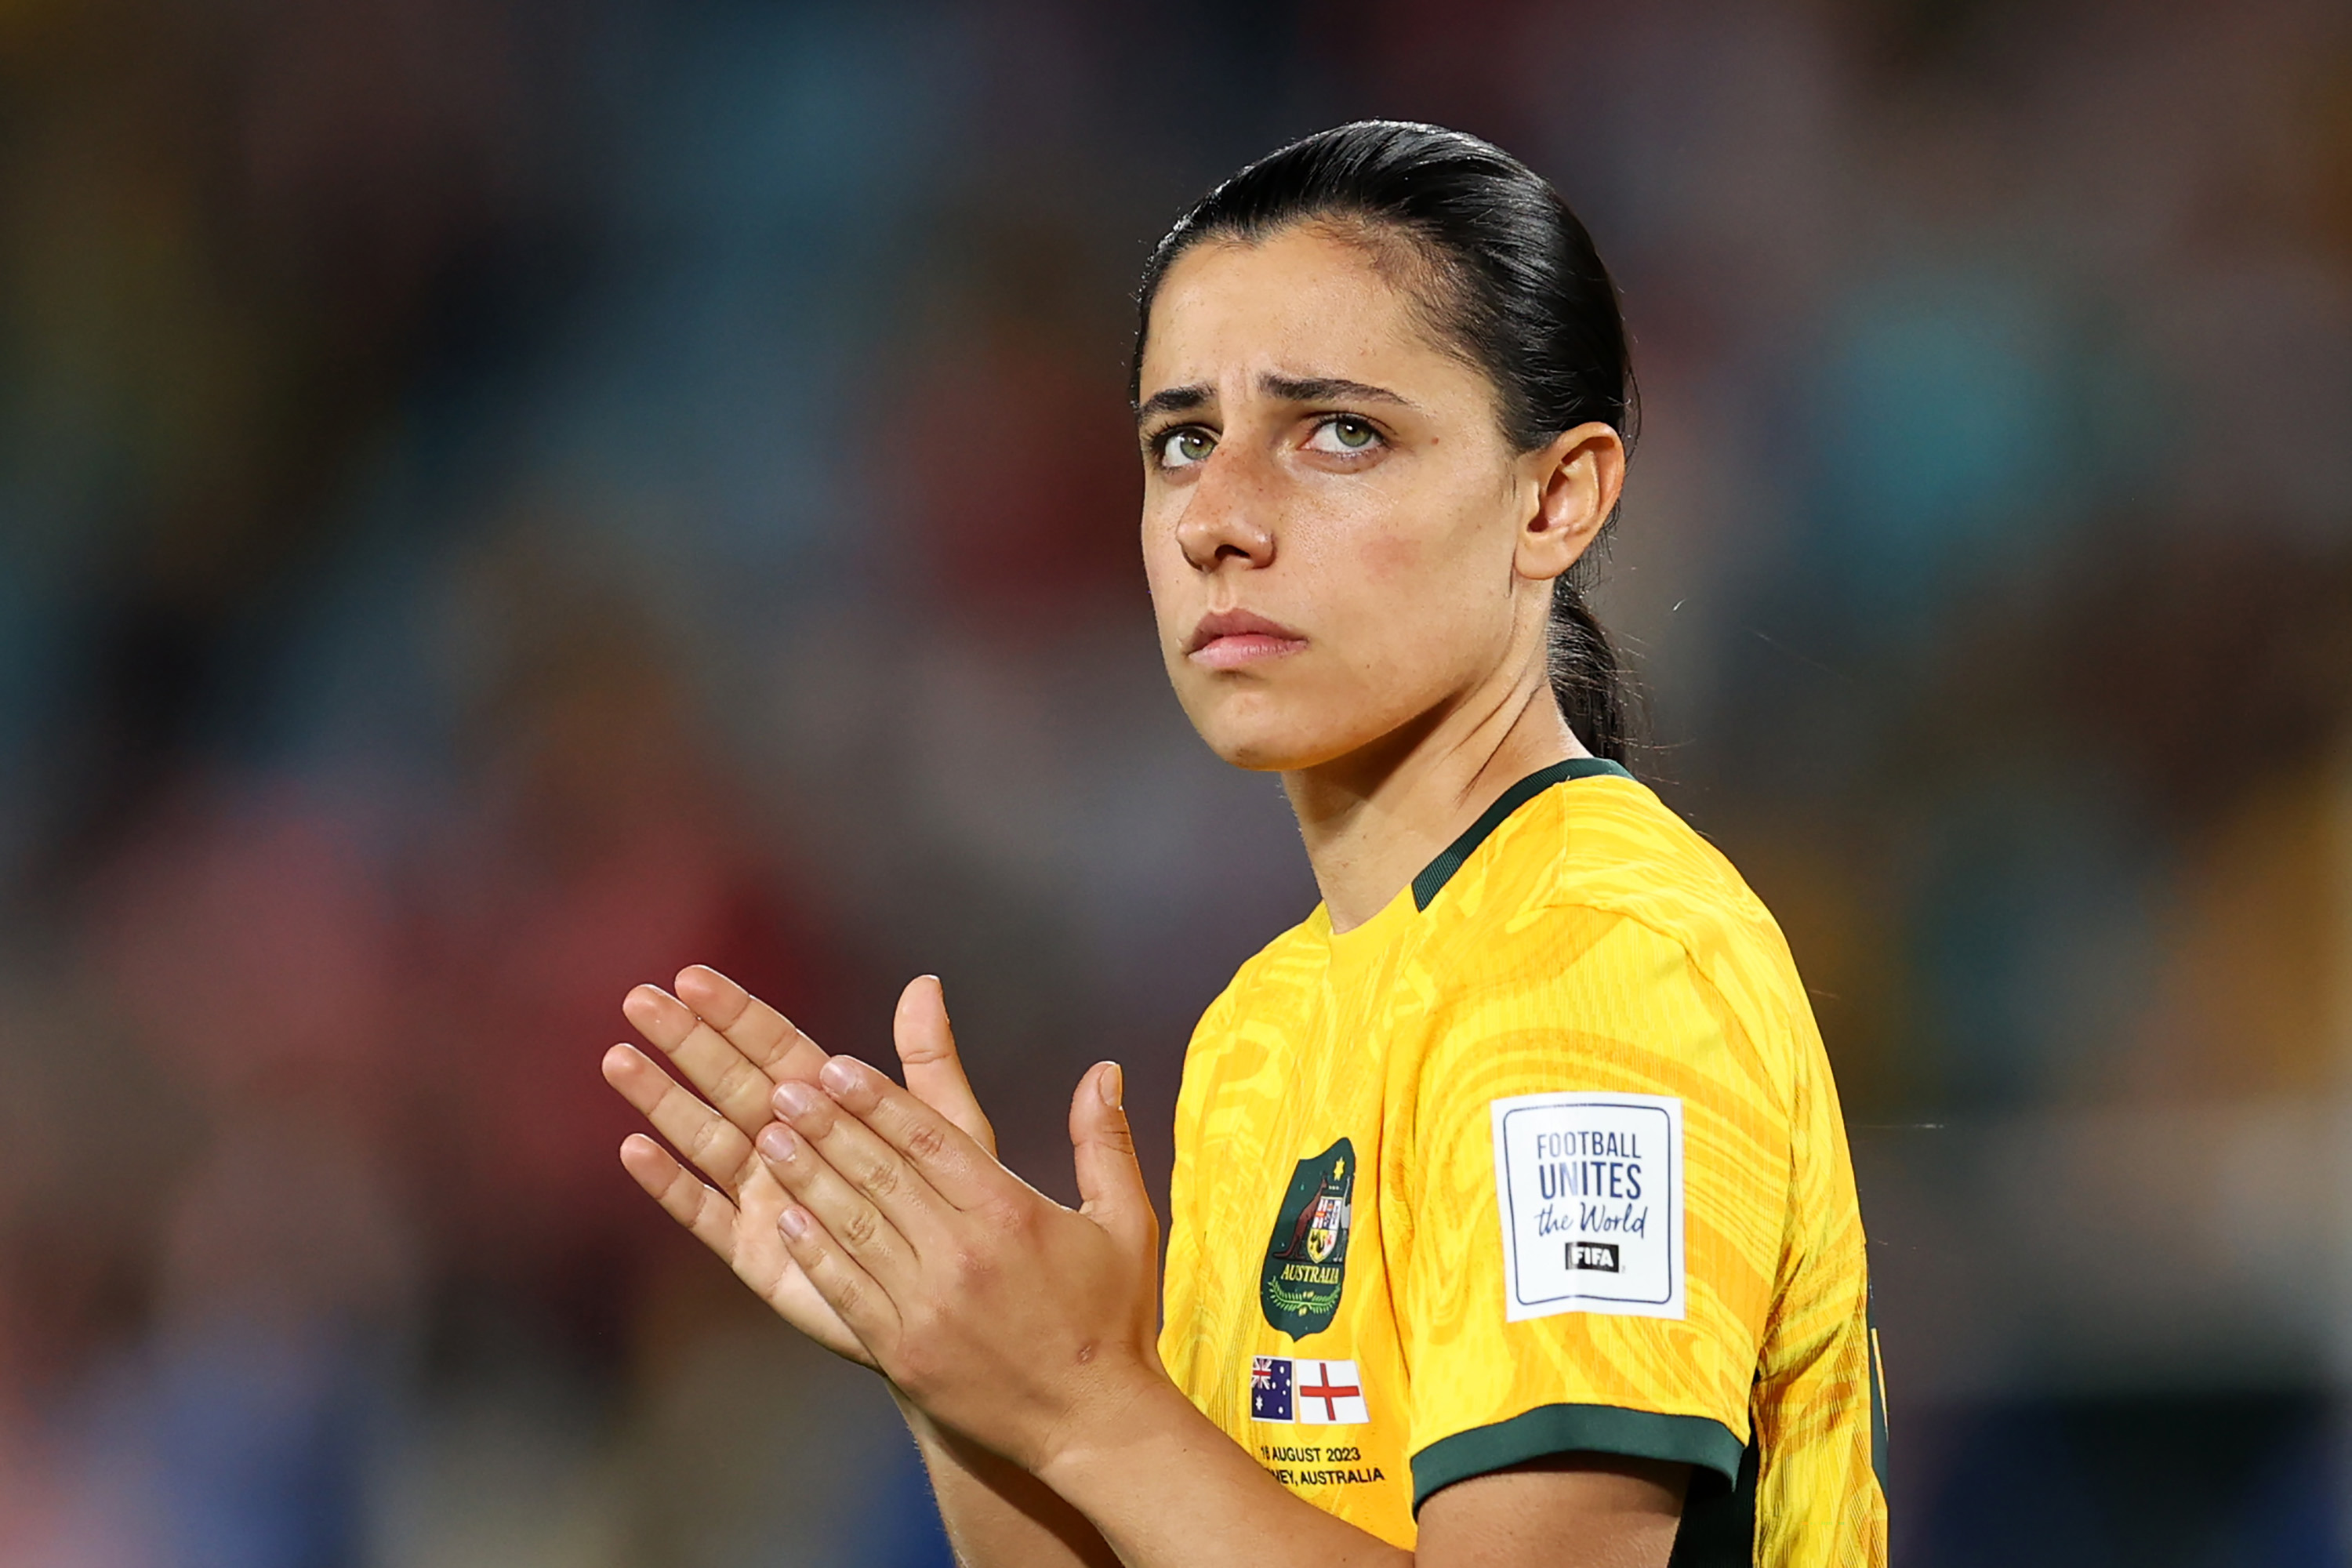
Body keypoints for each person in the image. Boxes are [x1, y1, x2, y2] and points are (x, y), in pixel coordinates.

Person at [601, 121, 1889, 1566]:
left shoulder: (1597, 968)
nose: (1218, 518)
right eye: (1183, 440)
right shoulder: (1266, 1029)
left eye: (1339, 431)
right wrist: (966, 1365)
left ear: (1555, 497)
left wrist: (1086, 1398)